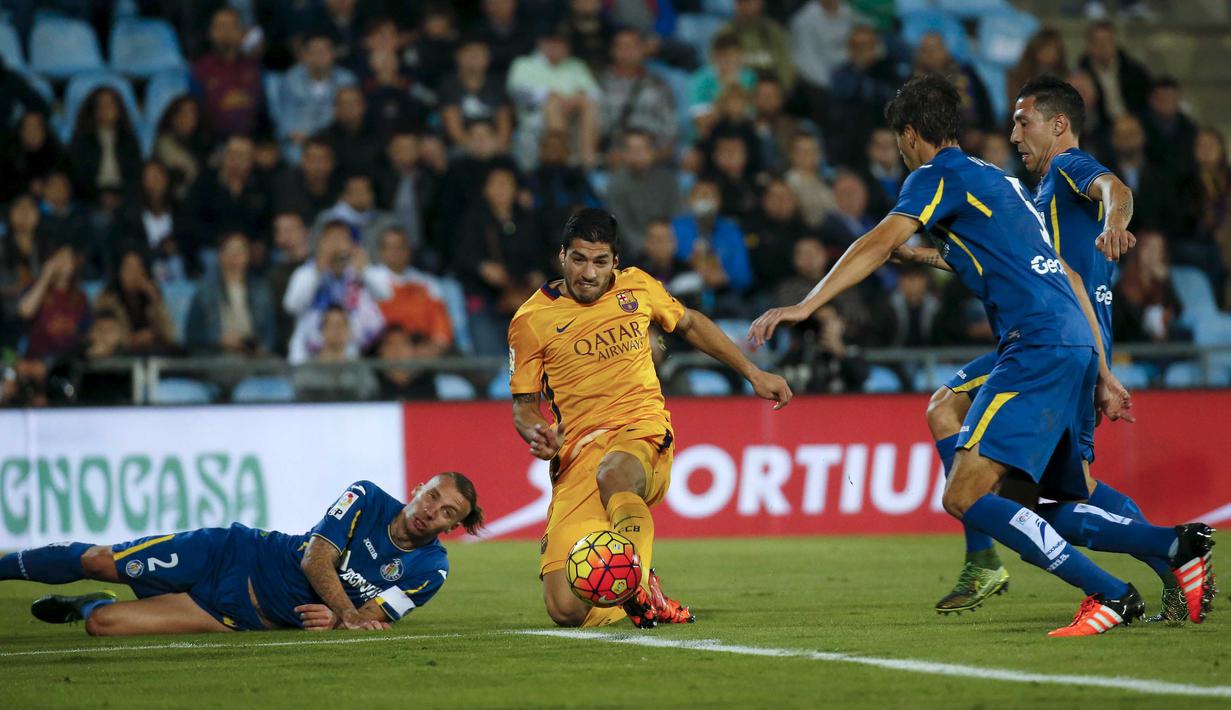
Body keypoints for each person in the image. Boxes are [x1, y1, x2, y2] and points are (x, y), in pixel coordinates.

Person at [749, 74, 1213, 636]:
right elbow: (1053, 269)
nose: (900, 151)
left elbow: (874, 239)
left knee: (967, 492)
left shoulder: (938, 174)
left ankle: (1129, 575)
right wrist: (1102, 365)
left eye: (900, 139)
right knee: (1046, 502)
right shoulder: (999, 183)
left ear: (912, 134)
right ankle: (1159, 559)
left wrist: (805, 304)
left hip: (1035, 345)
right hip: (1067, 339)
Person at [508, 208, 792, 629]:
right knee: (567, 610)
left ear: (615, 263)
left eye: (600, 261)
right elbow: (524, 403)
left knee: (614, 475)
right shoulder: (531, 320)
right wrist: (536, 431)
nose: (589, 272)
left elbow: (691, 324)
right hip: (576, 454)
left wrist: (753, 372)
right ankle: (636, 592)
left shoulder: (638, 286)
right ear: (562, 256)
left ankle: (636, 590)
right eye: (579, 259)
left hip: (640, 429)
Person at [1, 474, 482, 635]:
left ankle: (88, 603)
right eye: (431, 497)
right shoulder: (367, 496)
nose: (431, 512)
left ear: (453, 527)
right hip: (231, 555)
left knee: (101, 626)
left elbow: (370, 615)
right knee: (100, 559)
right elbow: (315, 558)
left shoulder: (431, 569)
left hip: (235, 615)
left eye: (447, 513)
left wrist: (342, 620)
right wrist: (345, 614)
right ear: (418, 489)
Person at [284, 220, 390, 364]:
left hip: (355, 357)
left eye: (341, 239)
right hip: (308, 357)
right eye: (331, 239)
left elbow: (385, 294)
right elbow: (292, 305)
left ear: (352, 245)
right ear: (320, 244)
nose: (336, 245)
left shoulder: (362, 270)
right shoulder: (306, 272)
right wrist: (317, 271)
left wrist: (365, 270)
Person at [185, 232, 277, 356]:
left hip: (252, 356)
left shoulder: (261, 288)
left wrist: (260, 349)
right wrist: (219, 340)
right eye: (230, 251)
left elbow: (269, 332)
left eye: (240, 251)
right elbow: (192, 334)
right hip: (216, 355)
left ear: (248, 256)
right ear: (220, 256)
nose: (235, 257)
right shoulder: (205, 290)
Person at [604, 130, 680, 260]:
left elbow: (677, 216)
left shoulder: (668, 180)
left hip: (668, 244)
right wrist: (647, 246)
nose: (636, 154)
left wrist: (665, 244)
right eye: (630, 149)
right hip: (632, 251)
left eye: (641, 149)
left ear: (653, 151)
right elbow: (622, 226)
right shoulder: (615, 185)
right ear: (624, 154)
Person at [191, 6, 266, 137]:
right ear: (210, 33)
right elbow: (197, 115)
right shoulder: (200, 70)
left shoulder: (254, 67)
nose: (225, 32)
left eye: (231, 26)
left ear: (242, 33)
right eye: (220, 26)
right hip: (214, 142)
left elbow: (263, 113)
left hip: (251, 142)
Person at [94, 250, 175, 355]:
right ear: (119, 271)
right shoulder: (107, 301)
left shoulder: (150, 298)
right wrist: (135, 340)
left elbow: (169, 335)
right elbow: (106, 338)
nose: (134, 273)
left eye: (138, 268)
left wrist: (154, 298)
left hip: (151, 355)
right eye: (129, 268)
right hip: (119, 359)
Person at [293, 305, 380, 401]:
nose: (337, 330)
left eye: (341, 324)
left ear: (349, 331)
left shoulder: (360, 370)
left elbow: (371, 399)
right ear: (323, 330)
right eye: (332, 325)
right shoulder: (307, 369)